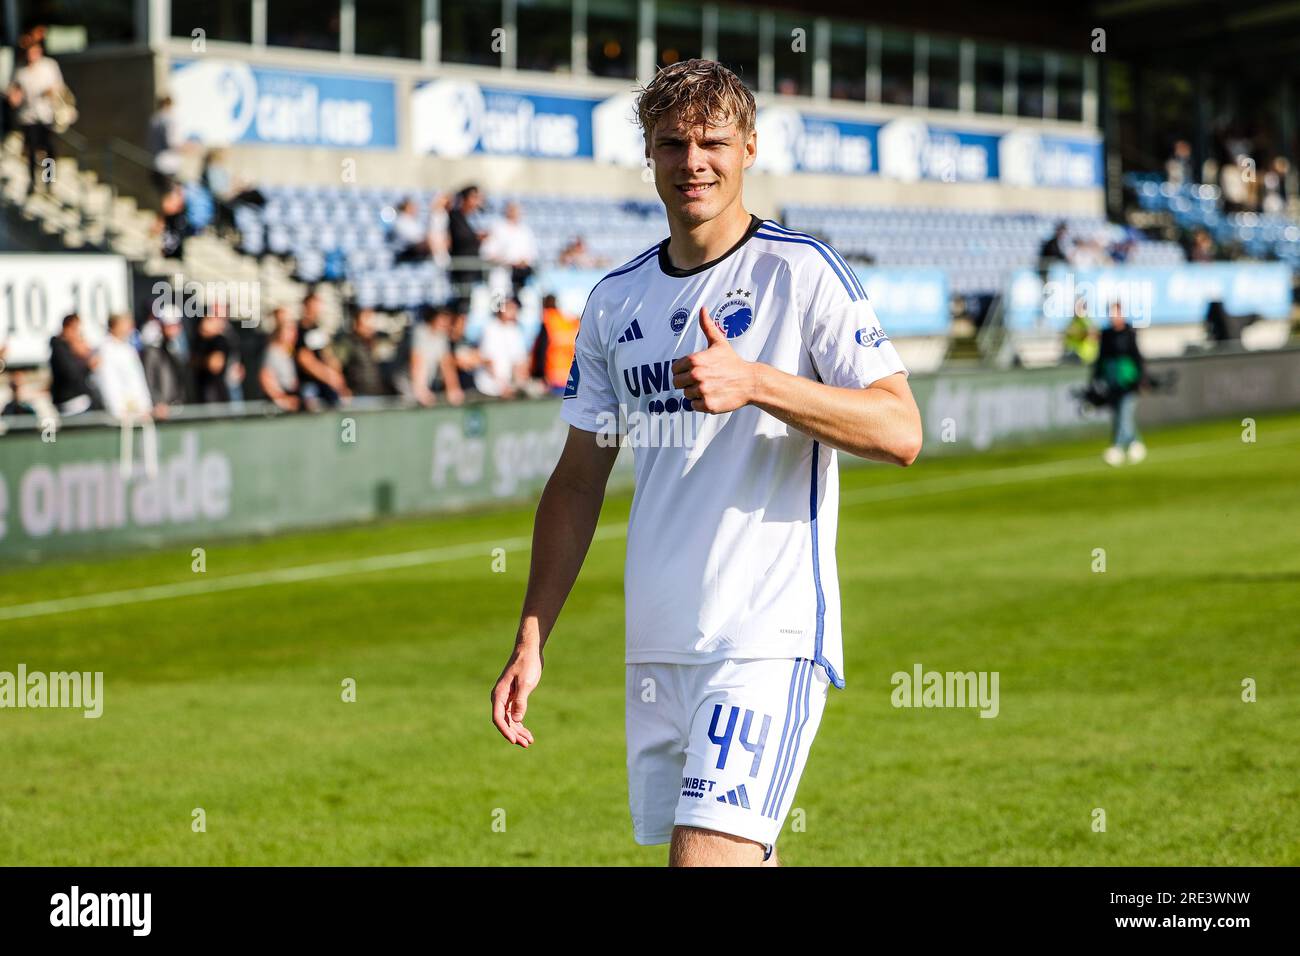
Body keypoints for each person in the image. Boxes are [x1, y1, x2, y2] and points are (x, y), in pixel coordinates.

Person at [489, 58, 921, 868]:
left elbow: (901, 429)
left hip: (763, 637)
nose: (693, 161)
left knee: (704, 862)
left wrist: (755, 381)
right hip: (656, 647)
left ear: (749, 148)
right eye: (671, 143)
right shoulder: (616, 301)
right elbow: (579, 480)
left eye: (712, 141)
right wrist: (531, 636)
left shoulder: (800, 272)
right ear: (648, 155)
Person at [7, 31, 66, 198]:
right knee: (31, 150)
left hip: (47, 115)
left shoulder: (49, 66)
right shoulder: (21, 71)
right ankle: (33, 182)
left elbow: (58, 88)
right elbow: (14, 93)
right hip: (29, 116)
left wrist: (50, 92)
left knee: (49, 150)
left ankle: (49, 181)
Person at [1093, 300, 1147, 466]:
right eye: (1111, 313)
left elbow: (1137, 357)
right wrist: (1096, 379)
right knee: (1119, 415)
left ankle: (1116, 447)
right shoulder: (1106, 334)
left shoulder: (1129, 333)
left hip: (1128, 381)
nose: (1113, 316)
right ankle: (1135, 444)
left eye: (1116, 312)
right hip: (1112, 381)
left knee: (1125, 413)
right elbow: (1100, 358)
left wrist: (1140, 379)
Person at [294, 291, 351, 408]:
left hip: (325, 381)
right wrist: (328, 376)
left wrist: (338, 378)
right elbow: (304, 359)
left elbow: (326, 355)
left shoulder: (317, 329)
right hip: (310, 383)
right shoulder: (300, 330)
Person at [93, 314, 153, 422]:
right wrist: (118, 409)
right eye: (125, 324)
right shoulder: (105, 349)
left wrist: (145, 406)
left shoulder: (129, 349)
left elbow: (138, 380)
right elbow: (107, 381)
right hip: (120, 416)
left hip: (137, 413)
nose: (130, 328)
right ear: (115, 326)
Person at [402, 305, 462, 407]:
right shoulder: (419, 332)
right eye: (442, 319)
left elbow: (446, 363)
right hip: (404, 384)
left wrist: (453, 388)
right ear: (433, 318)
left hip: (423, 387)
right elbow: (417, 361)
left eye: (447, 320)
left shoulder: (442, 337)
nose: (445, 323)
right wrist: (420, 389)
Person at [473, 296, 529, 399]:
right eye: (510, 307)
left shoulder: (516, 330)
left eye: (515, 308)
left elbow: (519, 361)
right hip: (488, 388)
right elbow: (487, 360)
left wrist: (518, 383)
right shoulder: (490, 328)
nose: (513, 311)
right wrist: (502, 386)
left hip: (507, 389)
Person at [48, 313, 101, 415]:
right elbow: (71, 374)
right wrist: (88, 366)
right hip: (71, 401)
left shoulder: (69, 348)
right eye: (75, 329)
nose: (78, 334)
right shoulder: (60, 350)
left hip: (80, 399)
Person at [482, 201, 538, 295]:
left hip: (521, 277)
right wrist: (509, 261)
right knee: (498, 303)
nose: (514, 213)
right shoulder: (497, 228)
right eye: (512, 210)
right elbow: (487, 253)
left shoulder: (525, 230)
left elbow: (532, 254)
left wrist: (523, 262)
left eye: (517, 211)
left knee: (521, 302)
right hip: (500, 275)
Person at [531, 294, 580, 394]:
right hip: (571, 376)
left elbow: (541, 350)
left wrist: (539, 375)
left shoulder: (548, 320)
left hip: (553, 377)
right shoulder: (568, 322)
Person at [139, 314, 187, 417]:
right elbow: (148, 378)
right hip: (161, 409)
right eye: (169, 326)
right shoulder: (153, 350)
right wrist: (157, 402)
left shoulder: (178, 347)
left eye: (175, 325)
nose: (173, 330)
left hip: (177, 405)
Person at [448, 185, 487, 309]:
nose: (477, 202)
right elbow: (459, 239)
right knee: (464, 306)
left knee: (498, 295)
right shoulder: (454, 216)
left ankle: (499, 317)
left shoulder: (479, 217)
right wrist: (476, 238)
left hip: (487, 270)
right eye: (474, 198)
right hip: (465, 270)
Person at [337, 307, 390, 397]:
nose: (370, 325)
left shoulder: (377, 341)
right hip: (357, 395)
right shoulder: (348, 343)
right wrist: (342, 389)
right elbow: (336, 366)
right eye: (366, 319)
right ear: (356, 323)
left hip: (378, 394)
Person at [259, 308, 301, 412]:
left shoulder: (289, 351)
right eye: (289, 330)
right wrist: (282, 399)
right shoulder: (272, 352)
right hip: (279, 406)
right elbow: (265, 377)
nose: (293, 334)